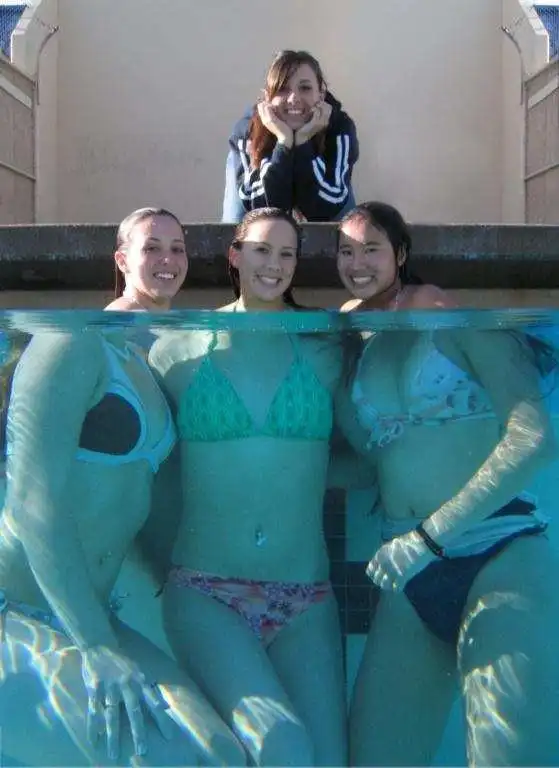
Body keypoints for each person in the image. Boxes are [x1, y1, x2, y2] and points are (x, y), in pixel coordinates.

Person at [0, 208, 244, 767]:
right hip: (18, 612)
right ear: (122, 260)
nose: (168, 259)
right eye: (152, 247)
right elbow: (32, 505)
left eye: (178, 248)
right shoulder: (72, 343)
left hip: (91, 612)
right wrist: (96, 647)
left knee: (222, 756)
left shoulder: (147, 358)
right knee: (175, 761)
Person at [335, 201, 559, 766]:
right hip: (408, 565)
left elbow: (534, 436)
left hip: (497, 549)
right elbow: (371, 461)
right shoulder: (353, 331)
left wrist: (428, 538)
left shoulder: (447, 315)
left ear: (400, 254)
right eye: (346, 251)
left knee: (506, 756)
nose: (357, 263)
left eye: (371, 249)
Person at [146, 208, 347, 765]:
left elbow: (363, 447)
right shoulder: (178, 347)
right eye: (261, 249)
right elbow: (146, 462)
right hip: (207, 591)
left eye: (286, 254)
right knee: (284, 749)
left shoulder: (324, 346)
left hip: (307, 594)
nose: (274, 264)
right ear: (235, 255)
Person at [222, 50, 359, 224]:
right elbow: (261, 206)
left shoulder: (339, 128)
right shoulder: (247, 131)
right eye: (282, 89)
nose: (293, 98)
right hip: (257, 205)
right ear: (267, 97)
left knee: (348, 225)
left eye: (305, 88)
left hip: (324, 198)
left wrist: (303, 142)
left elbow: (326, 207)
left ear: (321, 94)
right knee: (234, 225)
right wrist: (284, 142)